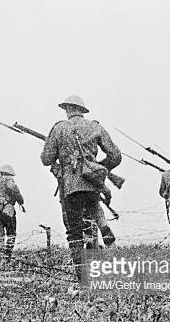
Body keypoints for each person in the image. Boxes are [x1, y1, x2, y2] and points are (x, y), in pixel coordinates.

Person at [41, 95, 122, 267]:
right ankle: (110, 252)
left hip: (70, 187)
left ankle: (81, 275)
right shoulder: (95, 126)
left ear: (67, 110)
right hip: (92, 185)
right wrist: (94, 168)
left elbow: (46, 159)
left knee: (74, 233)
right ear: (82, 111)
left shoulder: (59, 128)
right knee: (95, 219)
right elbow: (115, 156)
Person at [0, 165, 24, 258]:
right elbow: (14, 190)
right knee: (11, 233)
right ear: (9, 174)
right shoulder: (8, 179)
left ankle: (1, 255)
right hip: (6, 210)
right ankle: (8, 254)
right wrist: (20, 201)